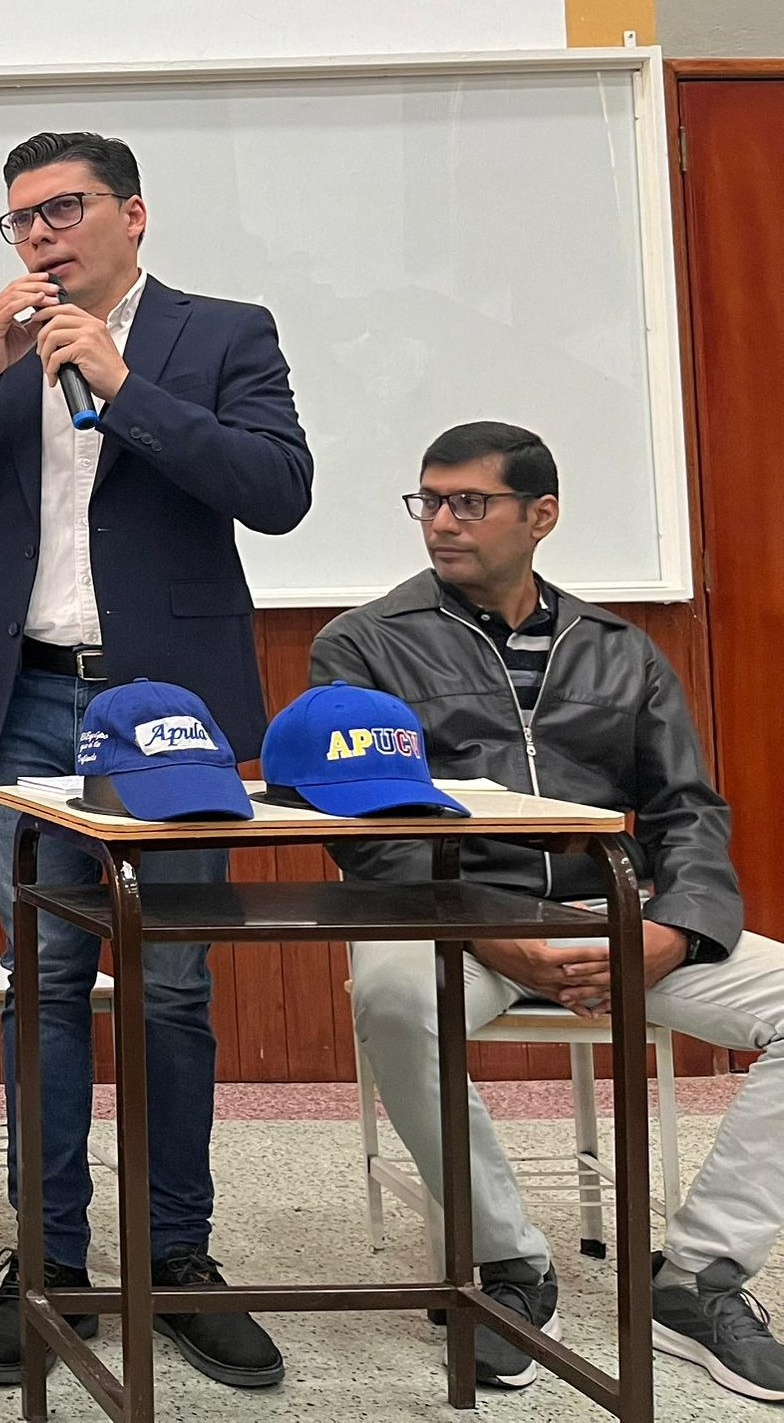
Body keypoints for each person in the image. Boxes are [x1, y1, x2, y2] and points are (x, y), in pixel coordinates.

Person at [0, 130, 311, 1389]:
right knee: (44, 983)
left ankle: (177, 1257)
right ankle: (47, 1260)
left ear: (131, 213)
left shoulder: (221, 333)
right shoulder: (2, 356)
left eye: (61, 209)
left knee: (170, 989)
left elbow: (276, 488)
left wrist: (123, 385)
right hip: (25, 711)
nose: (39, 236)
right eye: (18, 220)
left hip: (169, 708)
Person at [313, 420, 784, 1403]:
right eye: (427, 501)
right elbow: (369, 835)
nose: (440, 522)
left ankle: (698, 1281)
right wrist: (493, 933)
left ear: (540, 516)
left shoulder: (621, 651)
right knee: (393, 997)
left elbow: (689, 812)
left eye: (467, 503)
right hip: (453, 923)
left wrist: (668, 933)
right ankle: (507, 1267)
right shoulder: (360, 645)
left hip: (615, 914)